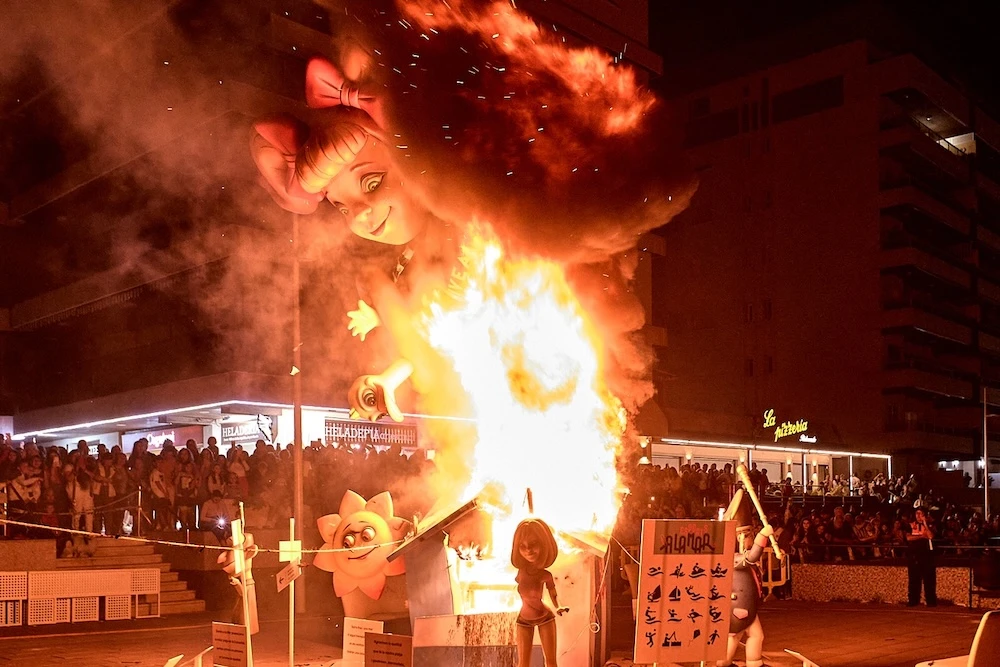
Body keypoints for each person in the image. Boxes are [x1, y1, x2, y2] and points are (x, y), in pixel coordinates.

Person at [511, 518, 568, 667]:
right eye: (522, 546)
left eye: (533, 544)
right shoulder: (521, 573)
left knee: (550, 662)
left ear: (544, 545)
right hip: (523, 619)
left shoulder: (545, 575)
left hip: (545, 618)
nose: (528, 550)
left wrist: (559, 606)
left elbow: (553, 593)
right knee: (523, 664)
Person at [905, 506, 937, 606]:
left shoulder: (931, 525)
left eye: (920, 514)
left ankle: (930, 601)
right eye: (917, 514)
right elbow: (909, 538)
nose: (918, 516)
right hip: (914, 555)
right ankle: (913, 600)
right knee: (913, 579)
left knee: (929, 579)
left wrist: (925, 524)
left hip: (927, 555)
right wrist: (922, 536)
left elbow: (931, 536)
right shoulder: (911, 525)